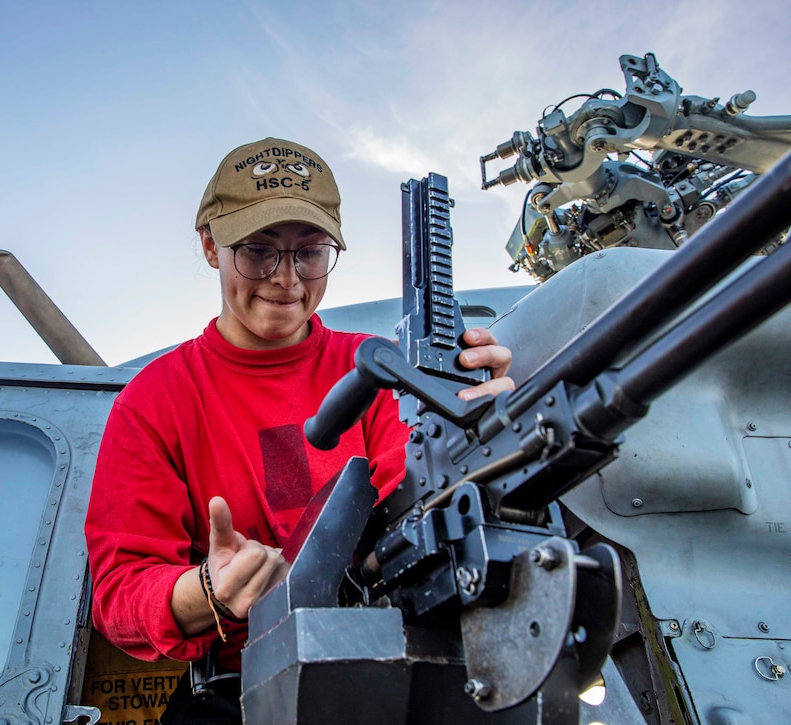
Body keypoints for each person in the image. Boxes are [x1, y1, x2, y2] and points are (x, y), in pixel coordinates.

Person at [84, 137, 514, 724]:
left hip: (403, 671)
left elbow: (419, 515)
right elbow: (119, 594)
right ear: (210, 246)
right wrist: (210, 589)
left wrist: (484, 436)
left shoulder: (383, 371)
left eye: (309, 254)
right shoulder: (154, 400)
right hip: (238, 691)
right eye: (258, 252)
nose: (286, 280)